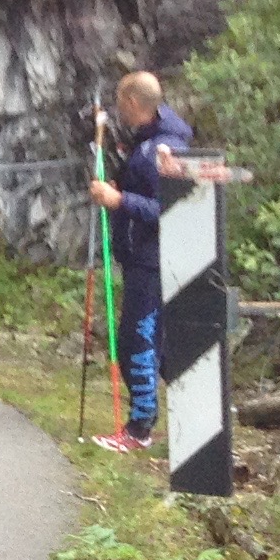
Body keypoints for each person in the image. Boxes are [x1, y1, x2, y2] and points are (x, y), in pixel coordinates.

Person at [87, 69, 193, 455]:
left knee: (138, 341)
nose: (118, 109)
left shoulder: (164, 150)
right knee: (156, 344)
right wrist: (121, 189)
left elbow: (171, 207)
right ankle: (194, 414)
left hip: (154, 261)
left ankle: (139, 428)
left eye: (120, 102)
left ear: (133, 103)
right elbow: (144, 191)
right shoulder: (146, 142)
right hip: (140, 257)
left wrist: (120, 201)